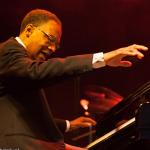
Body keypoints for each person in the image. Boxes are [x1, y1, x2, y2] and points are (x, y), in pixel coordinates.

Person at [0, 8, 148, 150]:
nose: (52, 48)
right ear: (29, 30)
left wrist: (68, 125)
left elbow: (23, 114)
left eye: (56, 45)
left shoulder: (18, 66)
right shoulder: (8, 51)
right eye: (50, 39)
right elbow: (38, 71)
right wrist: (103, 58)